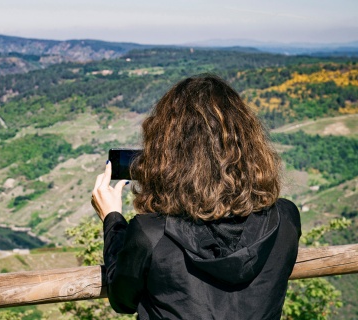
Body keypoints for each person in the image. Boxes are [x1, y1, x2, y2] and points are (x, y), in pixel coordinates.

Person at [91, 74, 301, 320]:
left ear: (166, 157)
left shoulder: (152, 234)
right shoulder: (285, 219)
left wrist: (112, 219)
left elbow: (122, 298)